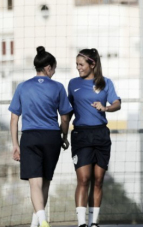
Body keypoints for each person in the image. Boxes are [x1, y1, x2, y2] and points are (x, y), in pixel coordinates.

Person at [9, 46, 72, 227]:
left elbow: (14, 118)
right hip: (51, 137)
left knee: (34, 183)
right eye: (54, 68)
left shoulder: (22, 87)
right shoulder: (58, 87)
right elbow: (65, 117)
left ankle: (41, 221)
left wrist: (15, 144)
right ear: (48, 67)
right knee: (45, 182)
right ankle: (36, 223)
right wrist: (64, 136)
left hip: (29, 138)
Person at [68, 48, 121, 227]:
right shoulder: (72, 83)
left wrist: (105, 108)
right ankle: (82, 223)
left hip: (101, 135)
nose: (78, 68)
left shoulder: (106, 83)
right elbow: (67, 111)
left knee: (98, 180)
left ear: (93, 64)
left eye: (81, 64)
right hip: (81, 135)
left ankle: (93, 223)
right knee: (83, 179)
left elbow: (117, 103)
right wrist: (63, 133)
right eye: (76, 64)